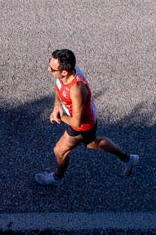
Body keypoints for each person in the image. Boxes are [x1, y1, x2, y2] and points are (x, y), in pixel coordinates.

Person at [36, 48, 138, 186]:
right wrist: (57, 106)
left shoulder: (76, 89)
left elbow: (76, 123)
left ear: (64, 71)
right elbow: (58, 85)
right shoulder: (65, 74)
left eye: (52, 69)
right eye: (49, 63)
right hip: (88, 116)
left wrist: (59, 117)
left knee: (59, 150)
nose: (49, 69)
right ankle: (128, 158)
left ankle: (57, 178)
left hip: (81, 125)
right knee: (92, 143)